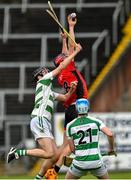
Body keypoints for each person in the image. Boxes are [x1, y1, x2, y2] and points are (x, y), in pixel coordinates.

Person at [6, 43, 82, 168]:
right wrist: (76, 52)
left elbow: (65, 98)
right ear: (40, 76)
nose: (47, 71)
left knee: (55, 155)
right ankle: (18, 152)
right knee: (49, 153)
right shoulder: (43, 80)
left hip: (43, 120)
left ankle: (40, 177)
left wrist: (72, 89)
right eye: (44, 71)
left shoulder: (48, 90)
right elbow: (62, 66)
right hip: (40, 118)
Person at [35, 13, 88, 179]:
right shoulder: (67, 67)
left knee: (65, 145)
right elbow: (71, 49)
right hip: (77, 107)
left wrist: (64, 39)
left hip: (69, 108)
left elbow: (66, 51)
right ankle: (54, 172)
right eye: (64, 57)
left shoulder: (60, 73)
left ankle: (45, 174)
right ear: (63, 62)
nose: (66, 55)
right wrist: (71, 27)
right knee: (70, 147)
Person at [65, 98, 115, 180]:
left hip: (79, 163)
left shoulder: (70, 126)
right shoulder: (96, 122)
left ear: (76, 109)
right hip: (96, 162)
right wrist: (111, 149)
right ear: (88, 108)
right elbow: (110, 134)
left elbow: (72, 149)